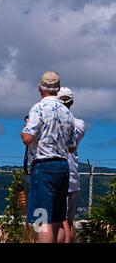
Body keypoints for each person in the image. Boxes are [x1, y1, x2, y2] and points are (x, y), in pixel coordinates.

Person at [21, 71, 76, 243]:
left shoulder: (38, 108)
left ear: (40, 88)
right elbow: (71, 146)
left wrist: (25, 129)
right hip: (63, 166)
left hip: (44, 166)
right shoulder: (67, 113)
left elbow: (27, 138)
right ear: (58, 88)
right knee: (58, 219)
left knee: (42, 220)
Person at [56, 87, 86, 243]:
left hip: (57, 173)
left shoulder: (55, 123)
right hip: (73, 175)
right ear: (72, 102)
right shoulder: (80, 124)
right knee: (69, 220)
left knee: (58, 221)